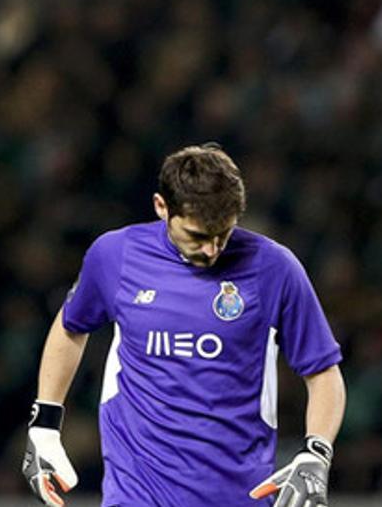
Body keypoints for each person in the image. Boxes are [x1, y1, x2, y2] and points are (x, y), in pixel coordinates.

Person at [22, 143, 347, 506]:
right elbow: (71, 328)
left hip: (238, 495)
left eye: (222, 234)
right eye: (198, 236)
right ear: (162, 207)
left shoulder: (274, 268)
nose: (212, 250)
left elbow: (323, 373)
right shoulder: (115, 255)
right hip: (136, 492)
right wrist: (45, 425)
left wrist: (317, 452)